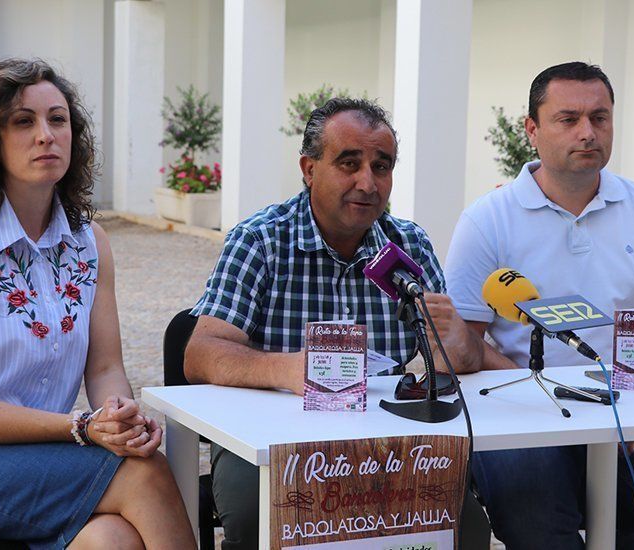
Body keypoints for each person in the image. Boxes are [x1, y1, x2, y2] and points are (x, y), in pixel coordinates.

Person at [0, 58, 195, 549]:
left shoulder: (90, 242)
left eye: (57, 119)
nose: (46, 135)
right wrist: (82, 427)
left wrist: (119, 415)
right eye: (23, 121)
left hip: (30, 455)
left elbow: (104, 367)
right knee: (143, 475)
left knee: (112, 540)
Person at [183, 98, 489, 549]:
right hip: (275, 441)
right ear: (309, 169)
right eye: (349, 163)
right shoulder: (261, 240)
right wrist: (289, 371)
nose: (367, 182)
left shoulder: (410, 245)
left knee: (464, 527)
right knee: (256, 513)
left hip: (389, 438)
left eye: (381, 166)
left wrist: (460, 343)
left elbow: (454, 360)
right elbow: (200, 353)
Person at [442, 62, 634, 549]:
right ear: (532, 130)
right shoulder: (486, 221)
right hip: (522, 414)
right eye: (569, 119)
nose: (588, 133)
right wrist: (549, 396)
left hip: (631, 410)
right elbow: (463, 345)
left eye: (600, 118)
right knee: (538, 525)